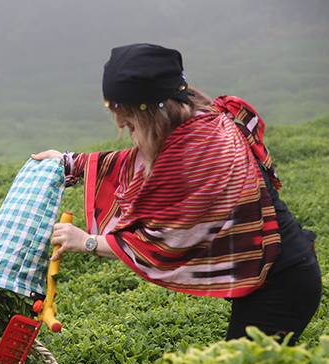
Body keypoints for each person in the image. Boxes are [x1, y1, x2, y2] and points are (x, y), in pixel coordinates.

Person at [32, 43, 321, 344]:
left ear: (149, 114)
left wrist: (87, 241)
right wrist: (70, 162)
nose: (126, 130)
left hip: (281, 284)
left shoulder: (199, 153)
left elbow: (165, 241)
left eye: (129, 123)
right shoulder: (198, 122)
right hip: (271, 272)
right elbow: (140, 161)